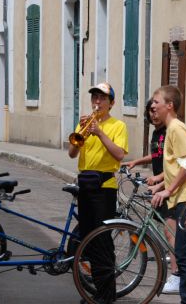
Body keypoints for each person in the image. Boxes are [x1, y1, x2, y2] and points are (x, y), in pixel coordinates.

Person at [68, 82, 128, 303]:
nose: (97, 102)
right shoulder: (84, 123)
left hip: (104, 188)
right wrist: (79, 133)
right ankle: (94, 291)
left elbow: (119, 154)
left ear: (111, 103)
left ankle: (106, 295)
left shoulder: (118, 126)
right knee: (87, 241)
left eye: (102, 98)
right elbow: (72, 153)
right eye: (94, 97)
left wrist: (100, 132)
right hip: (86, 185)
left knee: (102, 241)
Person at [150, 85, 186, 304]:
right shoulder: (172, 129)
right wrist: (161, 184)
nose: (152, 106)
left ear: (170, 105)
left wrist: (169, 189)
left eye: (156, 102)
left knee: (184, 255)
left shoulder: (176, 128)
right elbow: (177, 167)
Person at [123, 98, 180, 294]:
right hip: (162, 184)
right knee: (166, 230)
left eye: (155, 111)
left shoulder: (170, 131)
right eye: (150, 112)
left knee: (170, 232)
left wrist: (159, 179)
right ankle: (176, 264)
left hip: (171, 186)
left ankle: (177, 274)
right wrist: (136, 161)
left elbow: (178, 164)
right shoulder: (157, 133)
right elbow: (157, 156)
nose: (153, 115)